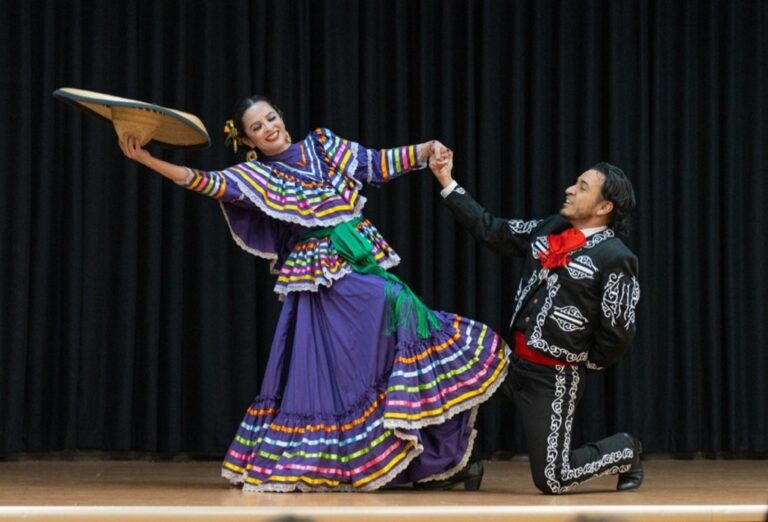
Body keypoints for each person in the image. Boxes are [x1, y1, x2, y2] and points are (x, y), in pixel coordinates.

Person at [117, 95, 509, 492]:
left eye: (270, 118)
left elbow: (374, 163)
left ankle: (437, 459)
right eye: (257, 127)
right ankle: (413, 458)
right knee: (376, 339)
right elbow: (206, 182)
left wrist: (425, 150)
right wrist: (148, 161)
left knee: (391, 348)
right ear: (249, 140)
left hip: (355, 257)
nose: (268, 127)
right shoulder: (258, 176)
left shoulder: (323, 145)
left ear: (281, 118)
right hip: (321, 276)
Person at [428, 151, 643, 494]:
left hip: (552, 376)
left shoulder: (616, 258)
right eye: (575, 183)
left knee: (553, 479)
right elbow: (493, 230)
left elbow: (618, 329)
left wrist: (585, 361)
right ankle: (458, 463)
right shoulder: (551, 227)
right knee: (442, 371)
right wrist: (446, 181)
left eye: (582, 187)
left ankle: (625, 451)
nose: (570, 189)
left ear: (604, 208)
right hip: (510, 363)